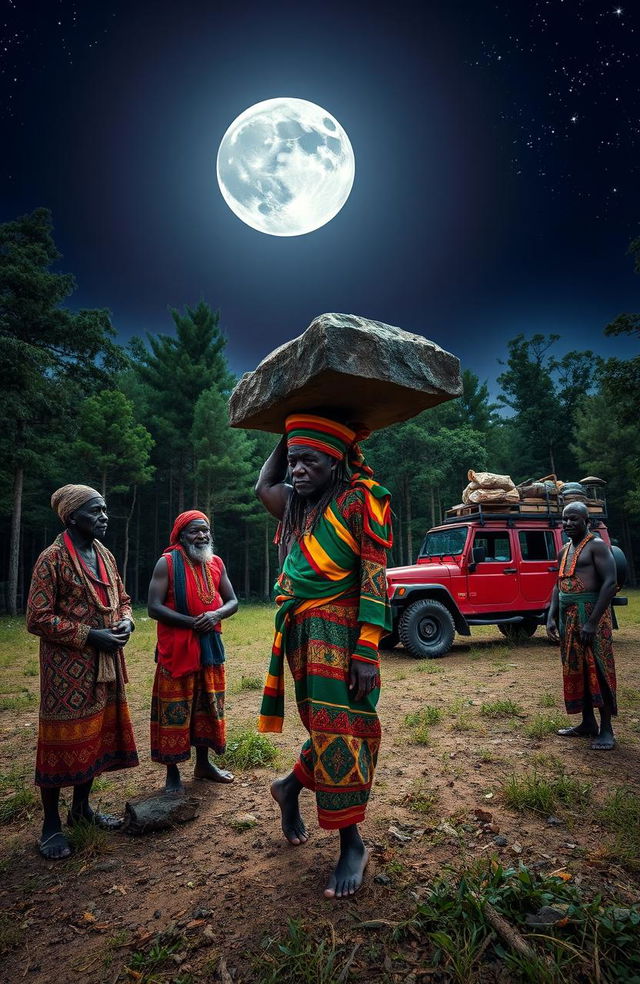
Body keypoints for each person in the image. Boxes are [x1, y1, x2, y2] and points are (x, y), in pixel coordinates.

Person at [255, 413, 392, 898]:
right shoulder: (298, 505)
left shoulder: (361, 500)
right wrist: (286, 433)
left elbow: (376, 575)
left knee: (350, 728)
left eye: (309, 460)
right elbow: (262, 484)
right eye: (293, 462)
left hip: (344, 637)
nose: (296, 470)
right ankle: (348, 840)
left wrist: (367, 649)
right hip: (300, 634)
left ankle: (294, 789)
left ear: (335, 461)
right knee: (329, 728)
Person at [27, 485, 139, 860]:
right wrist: (91, 634)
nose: (104, 517)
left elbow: (121, 598)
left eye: (105, 510)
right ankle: (50, 825)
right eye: (96, 511)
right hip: (66, 669)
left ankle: (80, 810)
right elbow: (37, 618)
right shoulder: (52, 558)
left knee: (93, 736)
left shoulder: (104, 553)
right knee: (61, 742)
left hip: (105, 664)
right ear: (72, 516)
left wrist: (125, 622)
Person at [148, 510, 238, 792]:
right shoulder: (166, 562)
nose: (201, 536)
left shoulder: (216, 563)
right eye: (194, 532)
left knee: (206, 705)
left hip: (210, 646)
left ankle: (203, 764)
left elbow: (233, 601)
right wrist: (191, 623)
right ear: (181, 536)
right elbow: (154, 607)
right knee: (174, 709)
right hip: (177, 649)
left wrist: (215, 616)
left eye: (205, 531)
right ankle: (172, 774)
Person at [546, 502, 618, 750]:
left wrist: (592, 622)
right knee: (576, 668)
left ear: (586, 520)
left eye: (573, 519)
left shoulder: (597, 546)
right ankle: (587, 723)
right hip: (569, 618)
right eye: (564, 519)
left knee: (598, 668)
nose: (567, 524)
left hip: (591, 617)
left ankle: (607, 729)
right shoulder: (564, 550)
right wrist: (551, 616)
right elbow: (558, 584)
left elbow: (610, 583)